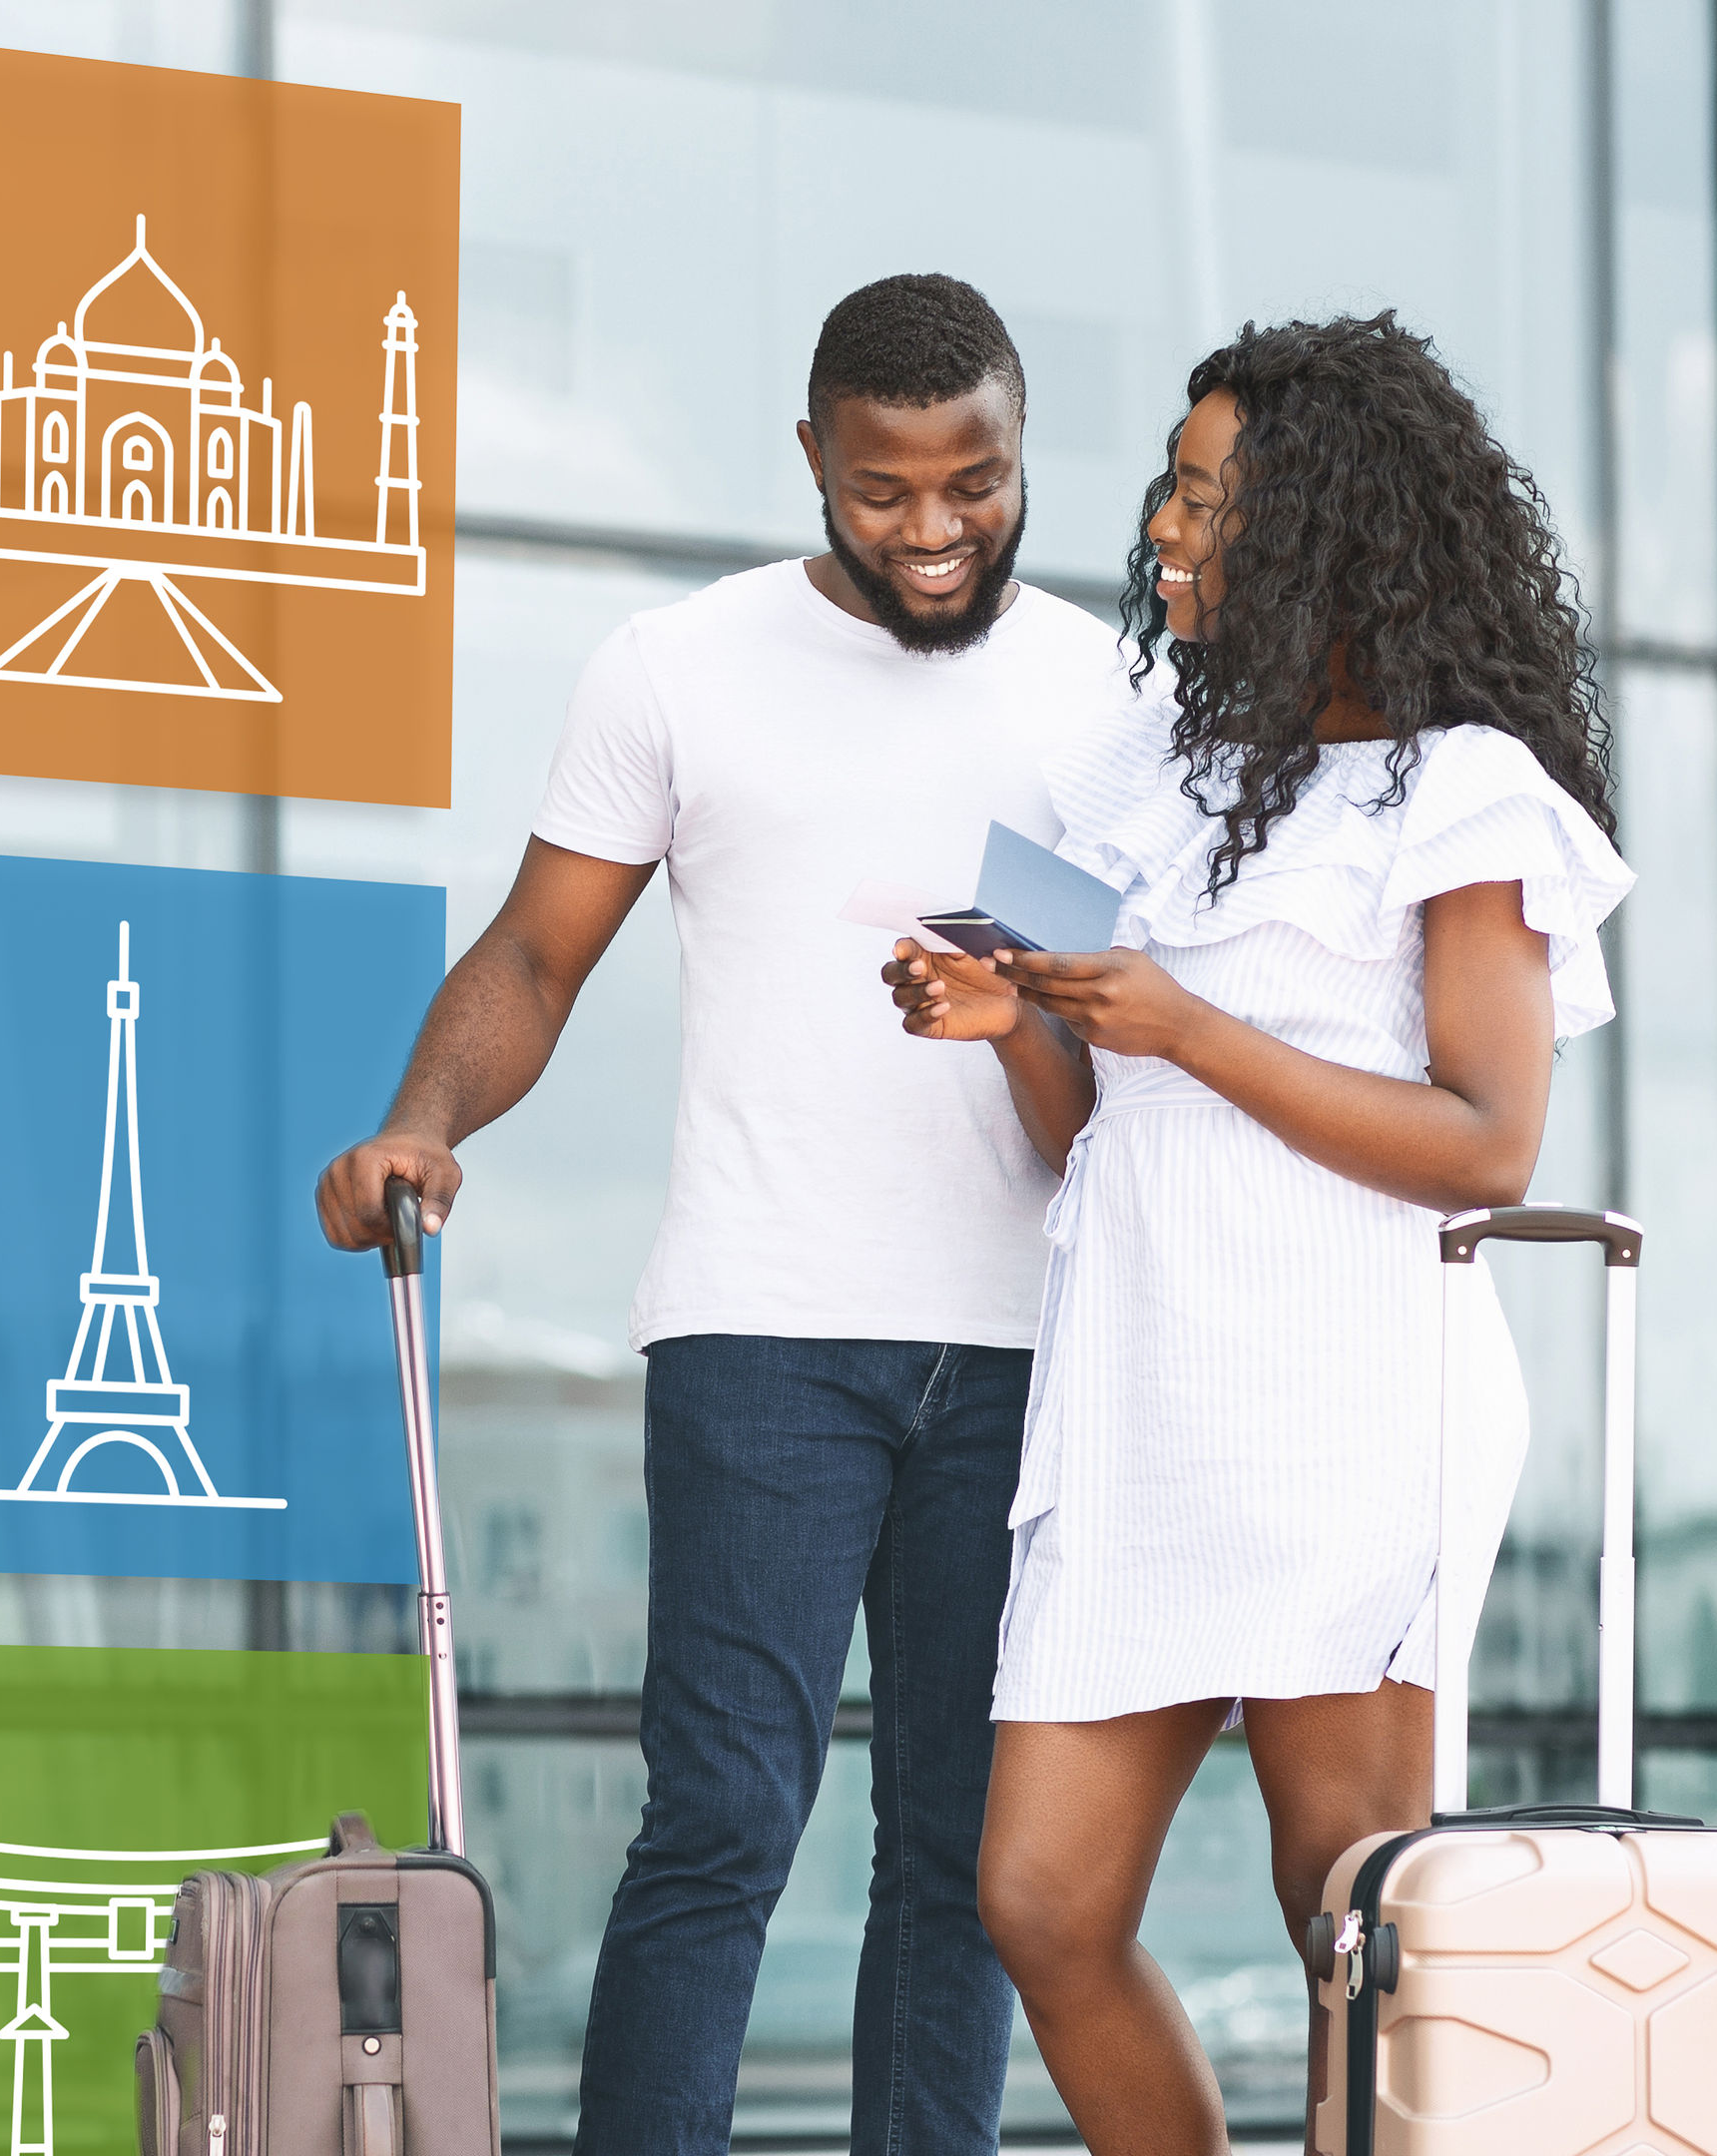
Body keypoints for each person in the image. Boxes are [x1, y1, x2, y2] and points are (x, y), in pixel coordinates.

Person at [316, 273, 1128, 2155]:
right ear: (812, 464)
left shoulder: (1099, 691)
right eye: (883, 490)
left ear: (1020, 453)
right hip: (764, 1330)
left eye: (975, 485)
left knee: (961, 1851)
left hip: (1029, 1342)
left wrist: (1010, 1019)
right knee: (723, 1826)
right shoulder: (676, 667)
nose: (933, 531)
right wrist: (423, 1122)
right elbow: (537, 948)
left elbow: (1096, 1073)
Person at [881, 313, 1631, 2150]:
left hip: (1348, 1408)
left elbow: (1490, 1140)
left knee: (1347, 1923)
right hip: (1140, 1402)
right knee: (1043, 1907)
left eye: (1208, 502)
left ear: (1321, 532)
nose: (1164, 533)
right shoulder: (1138, 774)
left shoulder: (1468, 792)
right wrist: (1022, 1030)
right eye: (1169, 491)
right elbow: (1094, 1136)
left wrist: (1186, 1027)